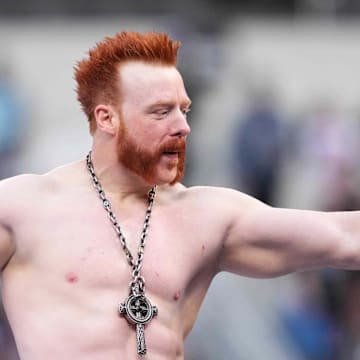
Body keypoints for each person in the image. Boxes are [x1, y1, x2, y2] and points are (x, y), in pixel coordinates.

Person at [0, 31, 360, 360]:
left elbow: (346, 237)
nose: (183, 127)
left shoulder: (206, 217)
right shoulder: (23, 208)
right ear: (108, 119)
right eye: (161, 112)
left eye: (183, 110)